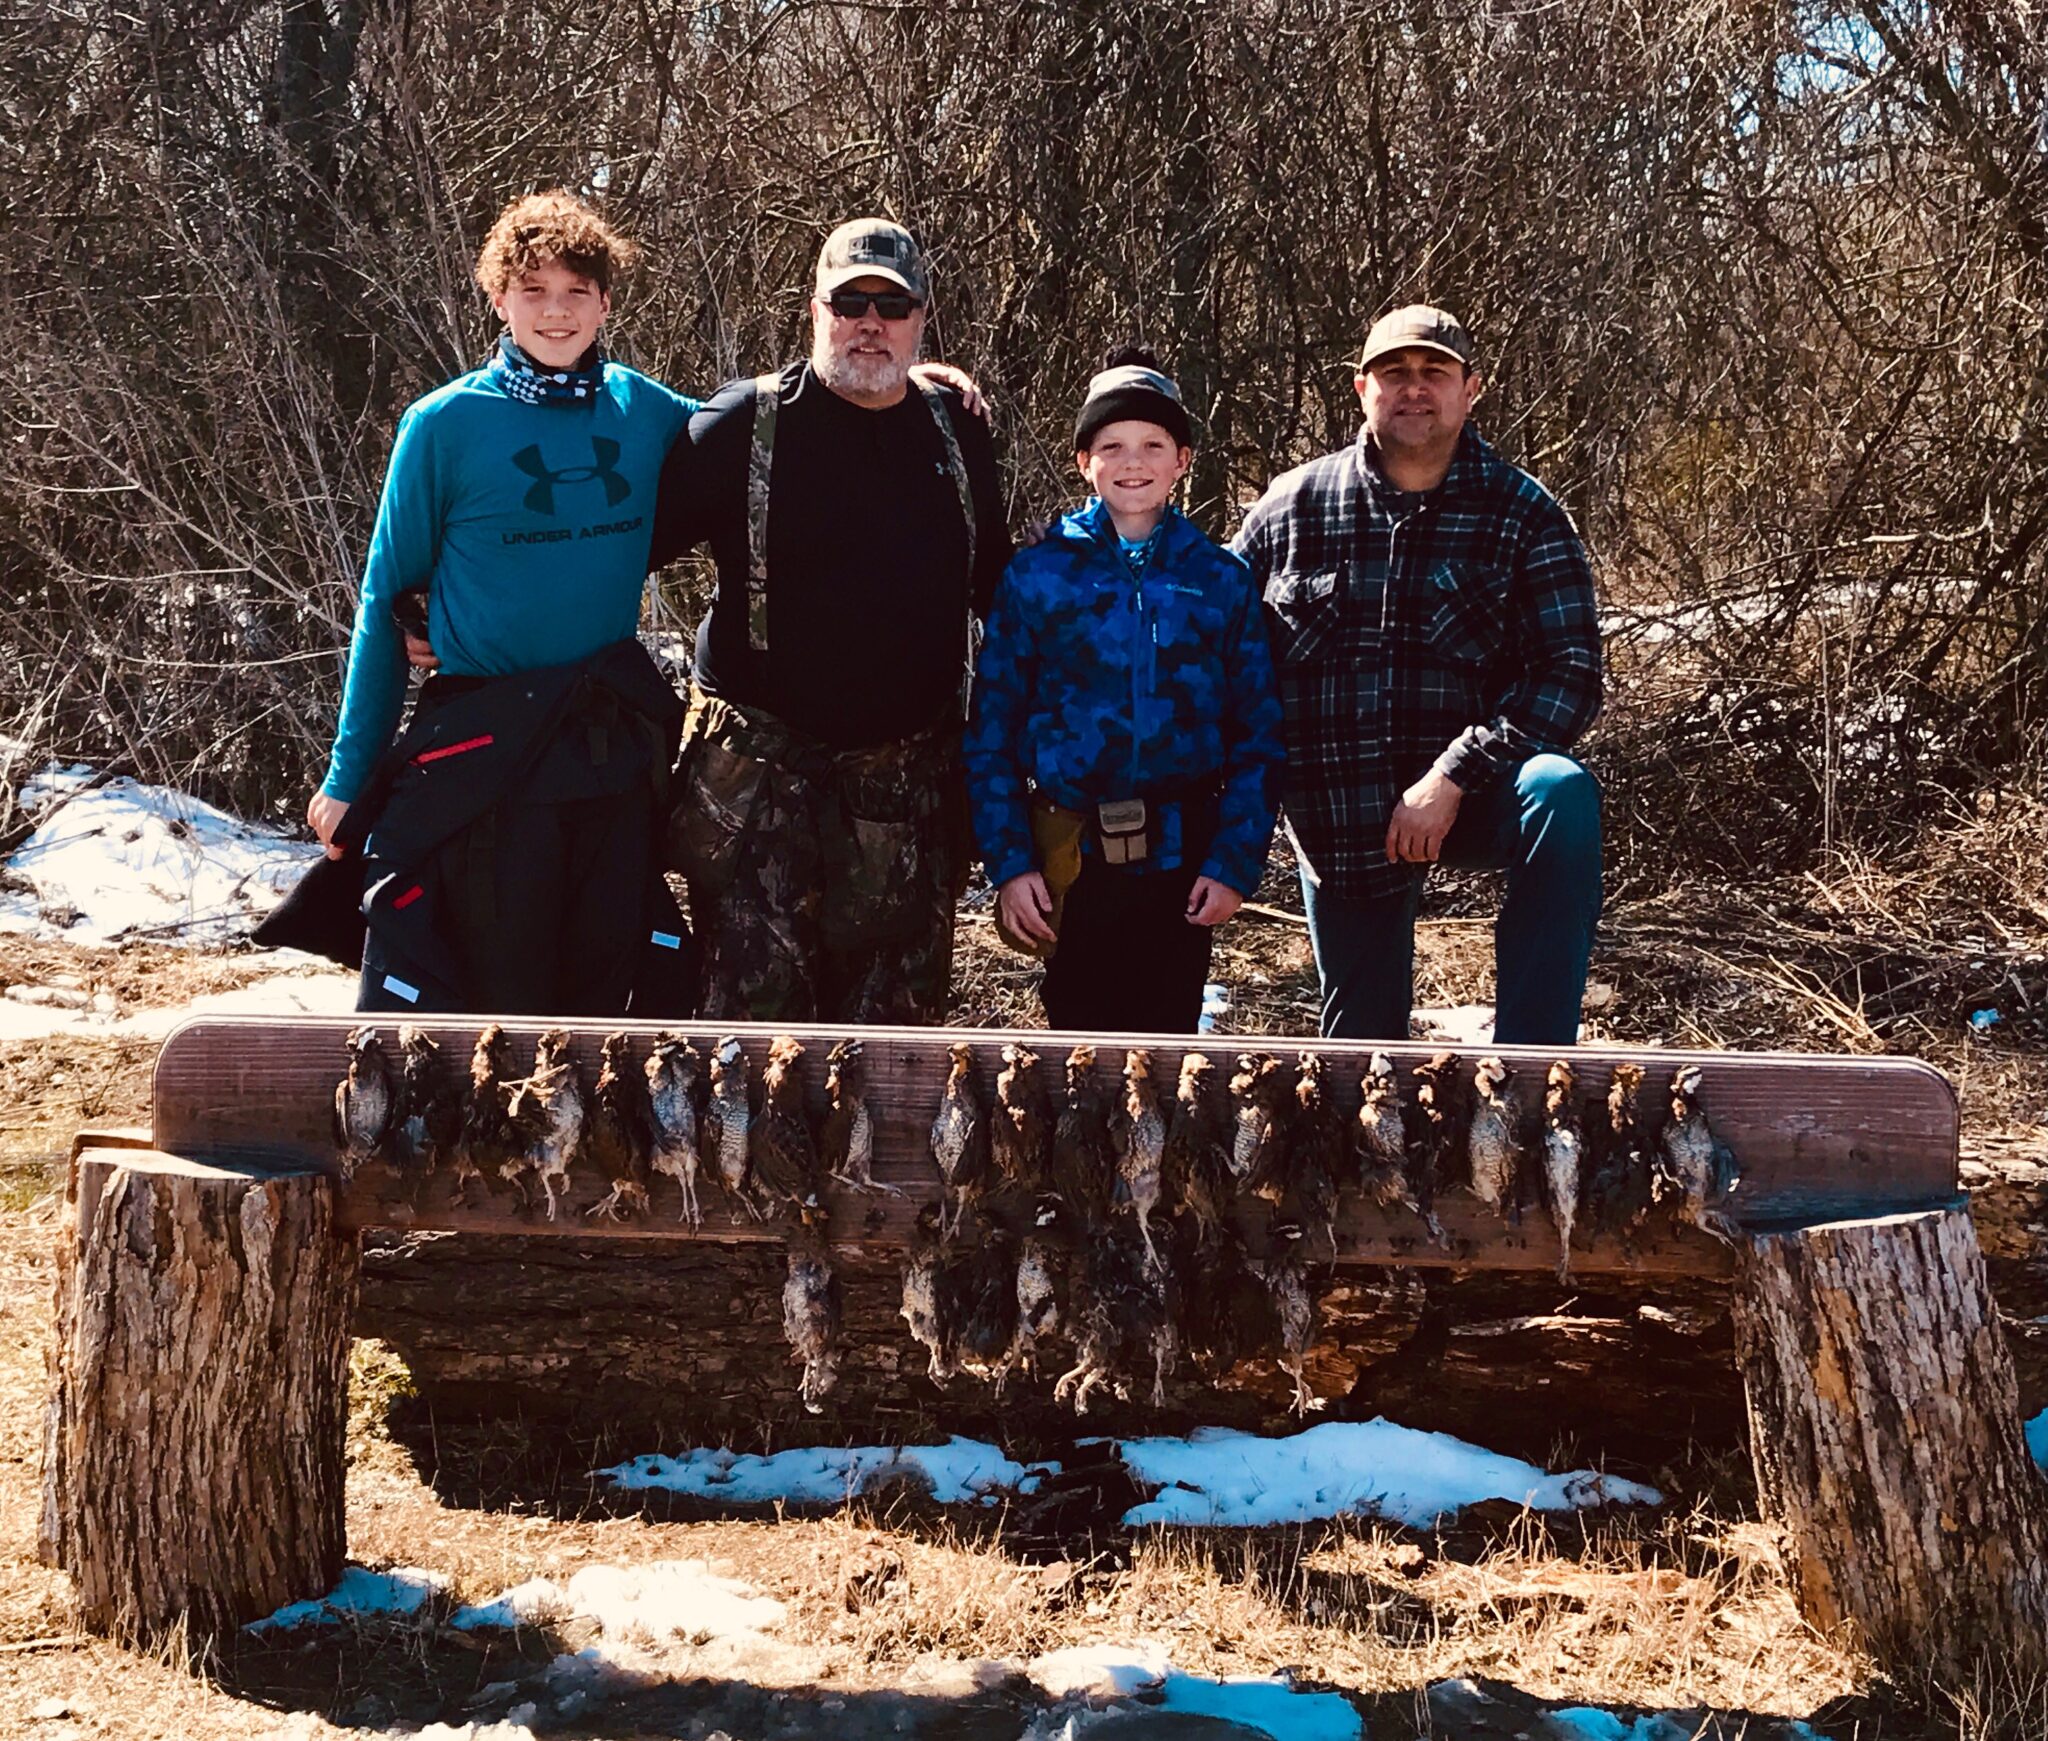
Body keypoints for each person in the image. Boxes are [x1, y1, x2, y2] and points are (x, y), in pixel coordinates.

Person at [302, 190, 697, 1016]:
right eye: (533, 291)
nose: (556, 313)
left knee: (602, 1005)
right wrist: (350, 771)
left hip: (605, 751)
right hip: (482, 756)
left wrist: (920, 384)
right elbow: (385, 598)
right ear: (497, 298)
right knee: (488, 1003)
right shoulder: (442, 426)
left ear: (606, 301)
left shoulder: (648, 413)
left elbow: (766, 437)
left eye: (577, 292)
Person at [649, 218, 1010, 1024]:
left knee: (891, 1065)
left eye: (893, 304)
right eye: (851, 301)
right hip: (759, 806)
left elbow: (1004, 598)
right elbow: (606, 560)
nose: (871, 323)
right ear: (815, 309)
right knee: (743, 1065)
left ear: (921, 319)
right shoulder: (741, 425)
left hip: (905, 803)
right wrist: (458, 613)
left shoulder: (957, 431)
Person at [1231, 305, 1603, 1045]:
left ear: (1471, 389)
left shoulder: (1523, 513)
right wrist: (1087, 545)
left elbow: (1572, 673)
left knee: (1561, 795)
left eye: (1435, 372)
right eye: (1395, 373)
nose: (1414, 389)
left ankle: (1532, 1065)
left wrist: (1455, 774)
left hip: (1476, 793)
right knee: (1363, 1065)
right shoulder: (1291, 509)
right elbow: (1210, 640)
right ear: (1361, 387)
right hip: (1343, 819)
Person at [963, 348, 1283, 1033]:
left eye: (1152, 445)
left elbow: (1260, 733)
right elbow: (990, 732)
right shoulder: (1038, 576)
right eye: (1111, 445)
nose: (1132, 462)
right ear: (1085, 461)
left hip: (1183, 860)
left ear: (1182, 459)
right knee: (1078, 1051)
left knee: (1164, 1054)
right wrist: (1011, 862)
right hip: (1073, 855)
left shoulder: (1220, 580)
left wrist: (1233, 862)